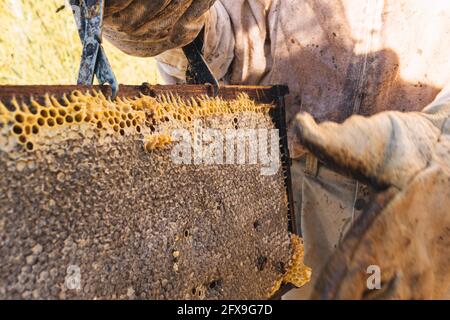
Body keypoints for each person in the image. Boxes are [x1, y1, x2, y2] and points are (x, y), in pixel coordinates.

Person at [102, 0, 450, 298]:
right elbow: (230, 46)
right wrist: (171, 22)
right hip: (283, 189)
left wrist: (441, 137)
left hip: (425, 196)